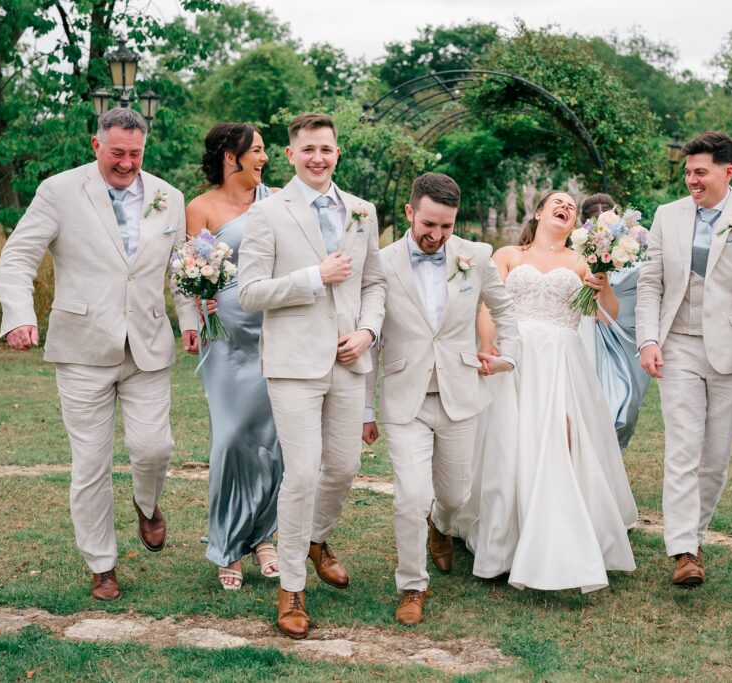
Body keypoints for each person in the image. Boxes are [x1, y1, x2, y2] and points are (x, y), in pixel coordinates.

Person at [0, 107, 199, 601]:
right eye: (117, 153)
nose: (127, 163)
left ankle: (147, 505)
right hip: (82, 345)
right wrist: (19, 313)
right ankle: (102, 564)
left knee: (155, 448)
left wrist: (190, 321)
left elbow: (181, 267)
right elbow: (19, 255)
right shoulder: (59, 191)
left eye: (136, 154)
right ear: (96, 146)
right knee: (90, 463)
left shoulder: (169, 197)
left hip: (148, 343)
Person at [238, 112, 386, 639]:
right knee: (301, 473)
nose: (318, 157)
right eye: (308, 150)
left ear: (337, 152)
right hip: (293, 364)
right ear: (290, 155)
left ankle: (317, 537)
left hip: (349, 359)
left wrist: (368, 330)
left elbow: (374, 284)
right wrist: (312, 278)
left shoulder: (363, 211)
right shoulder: (268, 213)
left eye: (326, 148)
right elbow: (250, 291)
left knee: (343, 468)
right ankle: (292, 587)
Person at [452, 190, 638, 593]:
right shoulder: (507, 256)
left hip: (560, 360)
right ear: (539, 213)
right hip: (514, 356)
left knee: (559, 440)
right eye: (558, 202)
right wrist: (490, 343)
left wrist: (601, 283)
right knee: (509, 441)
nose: (566, 207)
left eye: (572, 207)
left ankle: (555, 535)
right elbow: (487, 305)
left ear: (575, 225)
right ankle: (504, 541)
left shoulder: (580, 262)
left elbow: (605, 315)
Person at [362, 173, 519, 625]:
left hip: (460, 394)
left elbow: (505, 310)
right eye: (429, 224)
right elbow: (371, 339)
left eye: (446, 227)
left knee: (453, 494)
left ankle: (442, 525)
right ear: (411, 212)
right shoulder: (382, 262)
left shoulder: (477, 256)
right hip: (404, 399)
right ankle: (412, 584)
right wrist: (367, 410)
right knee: (410, 496)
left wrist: (506, 355)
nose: (436, 235)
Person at [636, 131, 732, 587]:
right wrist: (647, 339)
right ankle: (683, 551)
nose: (691, 180)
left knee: (714, 457)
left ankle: (694, 538)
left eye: (700, 172)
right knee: (682, 448)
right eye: (687, 172)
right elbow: (650, 282)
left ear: (726, 172)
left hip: (729, 349)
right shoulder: (666, 215)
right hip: (676, 343)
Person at [185, 123, 284, 590]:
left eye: (264, 151)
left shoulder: (280, 200)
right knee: (230, 437)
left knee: (272, 439)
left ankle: (264, 538)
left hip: (274, 329)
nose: (263, 158)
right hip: (225, 334)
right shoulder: (200, 207)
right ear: (231, 157)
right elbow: (195, 268)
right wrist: (197, 302)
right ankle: (226, 546)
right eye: (257, 150)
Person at [579, 193, 651, 449]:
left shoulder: (636, 252)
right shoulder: (579, 255)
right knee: (591, 401)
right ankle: (592, 462)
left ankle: (613, 458)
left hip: (628, 335)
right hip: (591, 329)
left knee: (628, 402)